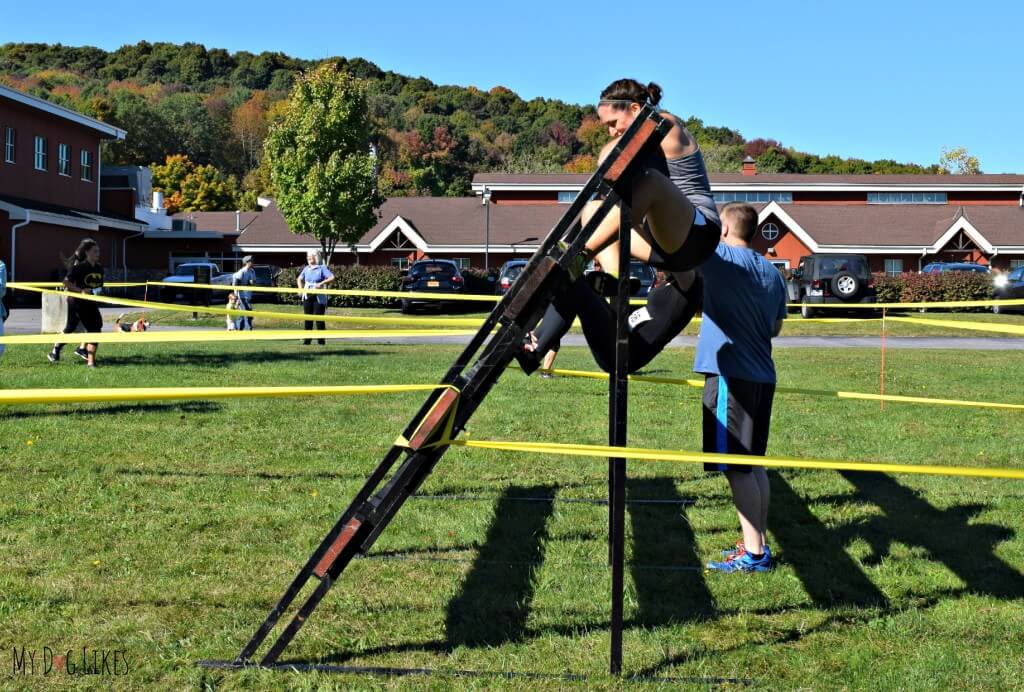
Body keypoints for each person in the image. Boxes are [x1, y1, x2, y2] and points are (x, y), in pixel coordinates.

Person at [698, 203, 787, 574]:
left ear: (723, 229)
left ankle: (753, 555)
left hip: (730, 373)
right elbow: (776, 329)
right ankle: (757, 543)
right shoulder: (772, 271)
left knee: (736, 467)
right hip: (762, 375)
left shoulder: (718, 257)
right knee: (753, 463)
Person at [578, 78, 721, 279]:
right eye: (607, 127)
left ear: (635, 109)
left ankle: (580, 255)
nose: (611, 132)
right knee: (593, 209)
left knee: (651, 181)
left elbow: (607, 159)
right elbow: (607, 166)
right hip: (662, 247)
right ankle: (615, 276)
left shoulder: (667, 124)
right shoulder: (636, 141)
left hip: (698, 235)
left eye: (613, 123)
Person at [518, 269, 701, 376]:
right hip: (622, 335)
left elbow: (673, 254)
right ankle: (534, 346)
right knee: (577, 281)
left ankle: (534, 351)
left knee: (577, 287)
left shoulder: (691, 285)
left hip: (626, 353)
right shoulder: (672, 283)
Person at [48, 238, 105, 368]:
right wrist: (81, 291)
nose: (98, 253)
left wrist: (99, 292)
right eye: (95, 251)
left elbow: (99, 286)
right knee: (70, 328)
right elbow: (66, 282)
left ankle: (90, 361)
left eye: (98, 251)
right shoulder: (79, 268)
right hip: (76, 303)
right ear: (87, 252)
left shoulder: (99, 268)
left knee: (96, 327)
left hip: (91, 302)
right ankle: (56, 349)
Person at [297, 250, 336, 345]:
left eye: (310, 256)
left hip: (319, 296)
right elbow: (299, 279)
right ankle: (307, 342)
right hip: (307, 295)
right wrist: (300, 289)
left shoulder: (322, 268)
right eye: (307, 257)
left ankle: (321, 342)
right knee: (308, 319)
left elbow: (332, 277)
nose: (308, 258)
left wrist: (321, 283)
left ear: (316, 257)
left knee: (319, 319)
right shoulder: (306, 268)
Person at [232, 255, 256, 330]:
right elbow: (236, 285)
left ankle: (240, 329)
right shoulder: (241, 272)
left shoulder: (252, 271)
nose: (253, 262)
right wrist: (236, 298)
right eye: (251, 261)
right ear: (247, 262)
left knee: (244, 313)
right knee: (246, 313)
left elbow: (254, 282)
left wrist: (251, 282)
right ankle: (247, 329)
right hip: (241, 296)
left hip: (248, 295)